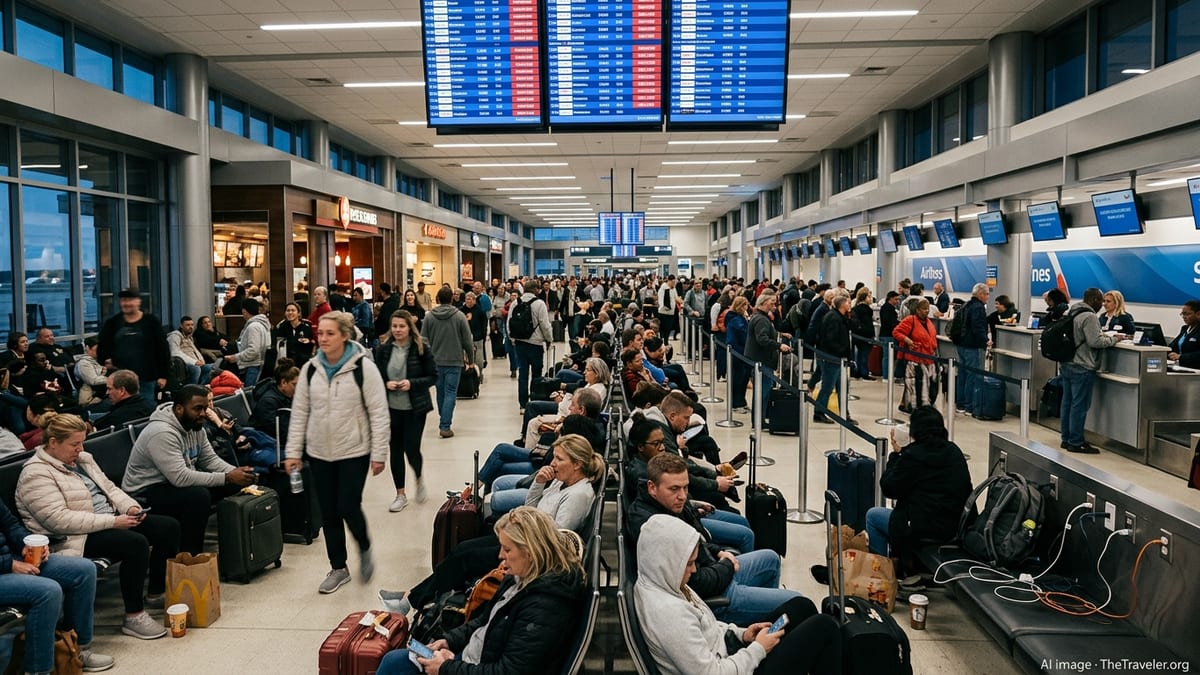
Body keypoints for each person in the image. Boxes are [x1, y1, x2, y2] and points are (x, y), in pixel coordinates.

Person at [16, 412, 178, 640]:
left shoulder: (83, 459)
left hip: (108, 520)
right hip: (74, 536)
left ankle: (156, 591)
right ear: (53, 443)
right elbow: (58, 520)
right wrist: (113, 521)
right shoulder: (35, 474)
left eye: (82, 442)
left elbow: (110, 489)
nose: (80, 449)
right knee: (135, 544)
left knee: (168, 527)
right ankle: (134, 615)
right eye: (74, 444)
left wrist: (130, 507)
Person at [376, 507, 584, 675]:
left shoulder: (544, 608)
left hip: (479, 664)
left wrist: (446, 669)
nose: (500, 555)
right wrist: (450, 640)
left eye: (508, 549)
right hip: (475, 658)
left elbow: (510, 671)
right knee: (395, 661)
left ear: (530, 553)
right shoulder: (521, 578)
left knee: (395, 665)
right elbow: (486, 620)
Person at [635, 514, 841, 675]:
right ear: (668, 563)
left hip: (728, 654)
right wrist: (758, 648)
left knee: (800, 606)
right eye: (689, 564)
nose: (694, 570)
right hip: (730, 667)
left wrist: (742, 634)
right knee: (825, 626)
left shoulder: (665, 580)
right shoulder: (670, 615)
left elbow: (708, 626)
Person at [626, 453, 803, 626]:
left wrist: (717, 551)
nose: (682, 495)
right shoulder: (655, 527)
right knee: (798, 603)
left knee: (770, 559)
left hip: (714, 571)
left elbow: (696, 541)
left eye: (685, 487)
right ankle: (761, 625)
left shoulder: (667, 505)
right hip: (712, 598)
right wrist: (726, 564)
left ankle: (764, 622)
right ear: (652, 487)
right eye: (674, 489)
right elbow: (697, 583)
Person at [285, 311, 389, 594]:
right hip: (319, 452)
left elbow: (379, 412)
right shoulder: (310, 370)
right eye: (321, 333)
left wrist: (380, 452)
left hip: (354, 450)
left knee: (347, 506)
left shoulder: (362, 369)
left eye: (330, 333)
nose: (323, 339)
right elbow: (300, 413)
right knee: (328, 512)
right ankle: (338, 567)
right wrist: (293, 451)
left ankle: (364, 546)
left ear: (344, 335)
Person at [121, 384, 256, 554]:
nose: (203, 414)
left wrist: (239, 474)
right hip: (144, 493)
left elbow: (210, 460)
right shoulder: (161, 433)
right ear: (179, 409)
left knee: (234, 485)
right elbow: (180, 478)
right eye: (197, 409)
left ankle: (237, 553)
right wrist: (227, 477)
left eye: (205, 408)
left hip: (171, 485)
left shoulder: (195, 425)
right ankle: (190, 557)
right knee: (197, 497)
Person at [0, 498, 114, 673]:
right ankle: (39, 670)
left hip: (10, 559)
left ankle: (76, 650)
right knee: (47, 591)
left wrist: (26, 543)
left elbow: (10, 525)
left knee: (83, 570)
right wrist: (9, 564)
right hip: (5, 567)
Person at [865, 406, 972, 558]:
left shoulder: (913, 455)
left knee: (873, 516)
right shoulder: (954, 451)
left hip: (921, 528)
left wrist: (896, 455)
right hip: (956, 526)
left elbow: (889, 488)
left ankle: (884, 570)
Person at [376, 310, 437, 513]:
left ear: (409, 328)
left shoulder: (421, 348)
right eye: (394, 326)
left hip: (414, 408)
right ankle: (400, 493)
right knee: (395, 450)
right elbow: (375, 376)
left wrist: (412, 383)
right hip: (391, 409)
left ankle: (419, 478)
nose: (397, 330)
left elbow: (432, 376)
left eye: (401, 326)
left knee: (411, 449)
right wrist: (386, 383)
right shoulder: (384, 349)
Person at [1059, 288, 1126, 454]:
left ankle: (1066, 438)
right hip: (1082, 365)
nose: (1102, 305)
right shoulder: (1089, 316)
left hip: (1068, 363)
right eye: (1101, 301)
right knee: (1079, 405)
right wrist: (1113, 339)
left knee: (1067, 403)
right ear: (1095, 300)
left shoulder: (1072, 312)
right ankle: (1076, 441)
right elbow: (1095, 342)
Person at [97, 288, 169, 407]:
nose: (127, 303)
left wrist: (163, 375)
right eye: (124, 300)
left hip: (147, 378)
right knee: (122, 410)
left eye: (130, 300)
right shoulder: (113, 323)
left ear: (138, 302)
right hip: (120, 380)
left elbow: (163, 349)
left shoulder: (151, 322)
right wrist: (104, 360)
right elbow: (103, 346)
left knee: (146, 408)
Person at [422, 287, 476, 439]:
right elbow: (467, 341)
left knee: (440, 392)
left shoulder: (429, 317)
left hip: (435, 361)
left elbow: (423, 340)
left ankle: (443, 418)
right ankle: (445, 425)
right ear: (452, 299)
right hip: (454, 361)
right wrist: (471, 361)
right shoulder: (459, 316)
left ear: (437, 299)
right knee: (451, 392)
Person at [509, 279, 555, 413]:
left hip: (519, 343)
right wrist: (549, 339)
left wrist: (513, 339)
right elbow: (545, 325)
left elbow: (509, 323)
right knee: (536, 374)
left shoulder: (515, 303)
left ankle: (523, 404)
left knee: (522, 374)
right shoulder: (539, 304)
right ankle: (535, 400)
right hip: (535, 344)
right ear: (535, 289)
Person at [892, 297, 939, 414]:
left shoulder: (929, 322)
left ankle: (910, 404)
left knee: (924, 384)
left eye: (928, 309)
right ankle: (911, 406)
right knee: (913, 383)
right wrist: (908, 340)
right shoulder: (910, 320)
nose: (927, 311)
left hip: (928, 358)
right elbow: (896, 332)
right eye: (924, 309)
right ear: (917, 310)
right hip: (913, 359)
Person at [813, 296, 852, 424]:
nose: (850, 304)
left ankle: (844, 413)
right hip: (832, 358)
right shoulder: (834, 318)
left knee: (842, 387)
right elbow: (830, 340)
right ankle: (819, 412)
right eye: (848, 302)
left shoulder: (839, 317)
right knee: (828, 387)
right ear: (842, 305)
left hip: (837, 358)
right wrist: (842, 351)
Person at [953, 283, 990, 416]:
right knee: (973, 376)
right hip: (973, 346)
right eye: (987, 294)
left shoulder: (966, 305)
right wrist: (986, 340)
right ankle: (969, 406)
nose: (988, 297)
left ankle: (961, 404)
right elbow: (977, 327)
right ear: (980, 294)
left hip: (961, 344)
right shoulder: (978, 308)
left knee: (962, 374)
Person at [224, 298, 270, 386]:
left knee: (249, 393)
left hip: (253, 366)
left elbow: (253, 350)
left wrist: (235, 357)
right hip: (257, 363)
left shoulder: (253, 327)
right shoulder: (262, 323)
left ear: (245, 311)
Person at [248, 359, 298, 436]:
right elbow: (279, 431)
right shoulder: (268, 402)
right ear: (283, 383)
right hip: (267, 440)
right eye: (294, 384)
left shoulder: (288, 396)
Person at [724, 296, 751, 413]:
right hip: (738, 354)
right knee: (738, 380)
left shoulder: (740, 319)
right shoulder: (736, 321)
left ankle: (741, 401)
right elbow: (743, 336)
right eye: (745, 305)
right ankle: (736, 403)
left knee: (743, 379)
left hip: (742, 354)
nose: (747, 308)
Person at [167, 316, 212, 386]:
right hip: (184, 365)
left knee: (211, 367)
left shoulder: (189, 337)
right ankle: (191, 390)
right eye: (188, 325)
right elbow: (174, 352)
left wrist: (201, 361)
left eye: (192, 325)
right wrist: (194, 362)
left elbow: (194, 351)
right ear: (181, 326)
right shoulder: (175, 336)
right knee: (196, 369)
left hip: (196, 363)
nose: (191, 327)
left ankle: (201, 387)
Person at [849, 287, 876, 381]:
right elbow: (868, 325)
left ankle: (858, 372)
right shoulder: (866, 310)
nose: (871, 298)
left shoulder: (855, 308)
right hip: (865, 336)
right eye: (869, 296)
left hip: (857, 335)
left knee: (859, 354)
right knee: (864, 355)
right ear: (865, 297)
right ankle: (864, 372)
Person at [75, 337, 108, 408]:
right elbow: (92, 380)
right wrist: (111, 378)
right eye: (96, 350)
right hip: (91, 400)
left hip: (100, 394)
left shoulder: (94, 360)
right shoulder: (83, 363)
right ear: (87, 348)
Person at [460, 291, 488, 369]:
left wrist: (483, 335)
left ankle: (479, 374)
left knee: (478, 359)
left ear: (474, 300)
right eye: (467, 299)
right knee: (466, 359)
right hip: (465, 338)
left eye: (470, 299)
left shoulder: (480, 311)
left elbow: (484, 324)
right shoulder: (461, 311)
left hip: (477, 338)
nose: (468, 301)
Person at [1169, 300, 1200, 367]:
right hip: (1182, 367)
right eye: (1183, 314)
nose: (1184, 317)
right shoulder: (1185, 329)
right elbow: (1172, 346)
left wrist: (1181, 357)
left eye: (1187, 314)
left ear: (1198, 314)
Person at [878, 290, 901, 381]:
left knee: (888, 356)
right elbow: (891, 322)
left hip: (886, 334)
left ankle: (888, 375)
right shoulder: (889, 309)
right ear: (890, 299)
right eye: (896, 299)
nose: (897, 301)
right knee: (887, 356)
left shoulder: (885, 308)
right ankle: (886, 376)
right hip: (888, 335)